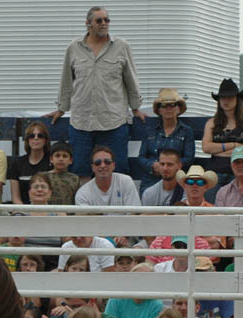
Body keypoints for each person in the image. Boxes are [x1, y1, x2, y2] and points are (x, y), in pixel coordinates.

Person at [46, 5, 143, 179]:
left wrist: (135, 108)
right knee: (80, 171)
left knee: (117, 171)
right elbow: (66, 80)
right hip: (81, 122)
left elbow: (131, 79)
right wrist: (62, 108)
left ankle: (114, 206)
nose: (104, 24)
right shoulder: (73, 48)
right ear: (88, 23)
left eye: (107, 20)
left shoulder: (122, 46)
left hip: (113, 121)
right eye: (99, 20)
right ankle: (85, 206)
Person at [137, 89, 194, 196]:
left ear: (178, 109)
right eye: (164, 105)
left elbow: (189, 158)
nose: (169, 108)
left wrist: (170, 166)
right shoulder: (150, 130)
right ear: (159, 110)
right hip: (151, 178)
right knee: (146, 210)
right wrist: (153, 166)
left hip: (176, 179)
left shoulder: (186, 131)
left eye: (173, 105)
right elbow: (141, 157)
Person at [201, 79, 243, 203]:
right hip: (215, 172)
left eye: (230, 97)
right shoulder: (212, 123)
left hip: (239, 172)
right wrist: (235, 145)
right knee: (209, 202)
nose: (225, 101)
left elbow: (211, 148)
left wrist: (217, 150)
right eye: (222, 97)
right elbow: (206, 148)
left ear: (237, 99)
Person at [74, 146, 140, 207]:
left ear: (113, 165)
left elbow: (133, 213)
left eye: (107, 162)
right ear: (92, 167)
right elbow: (86, 219)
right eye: (97, 162)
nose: (102, 166)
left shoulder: (125, 181)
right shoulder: (83, 193)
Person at [8, 121, 52, 205]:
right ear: (27, 140)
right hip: (23, 210)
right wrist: (25, 213)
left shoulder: (52, 162)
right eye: (31, 136)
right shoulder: (17, 163)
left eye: (40, 136)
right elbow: (15, 197)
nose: (36, 138)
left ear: (45, 140)